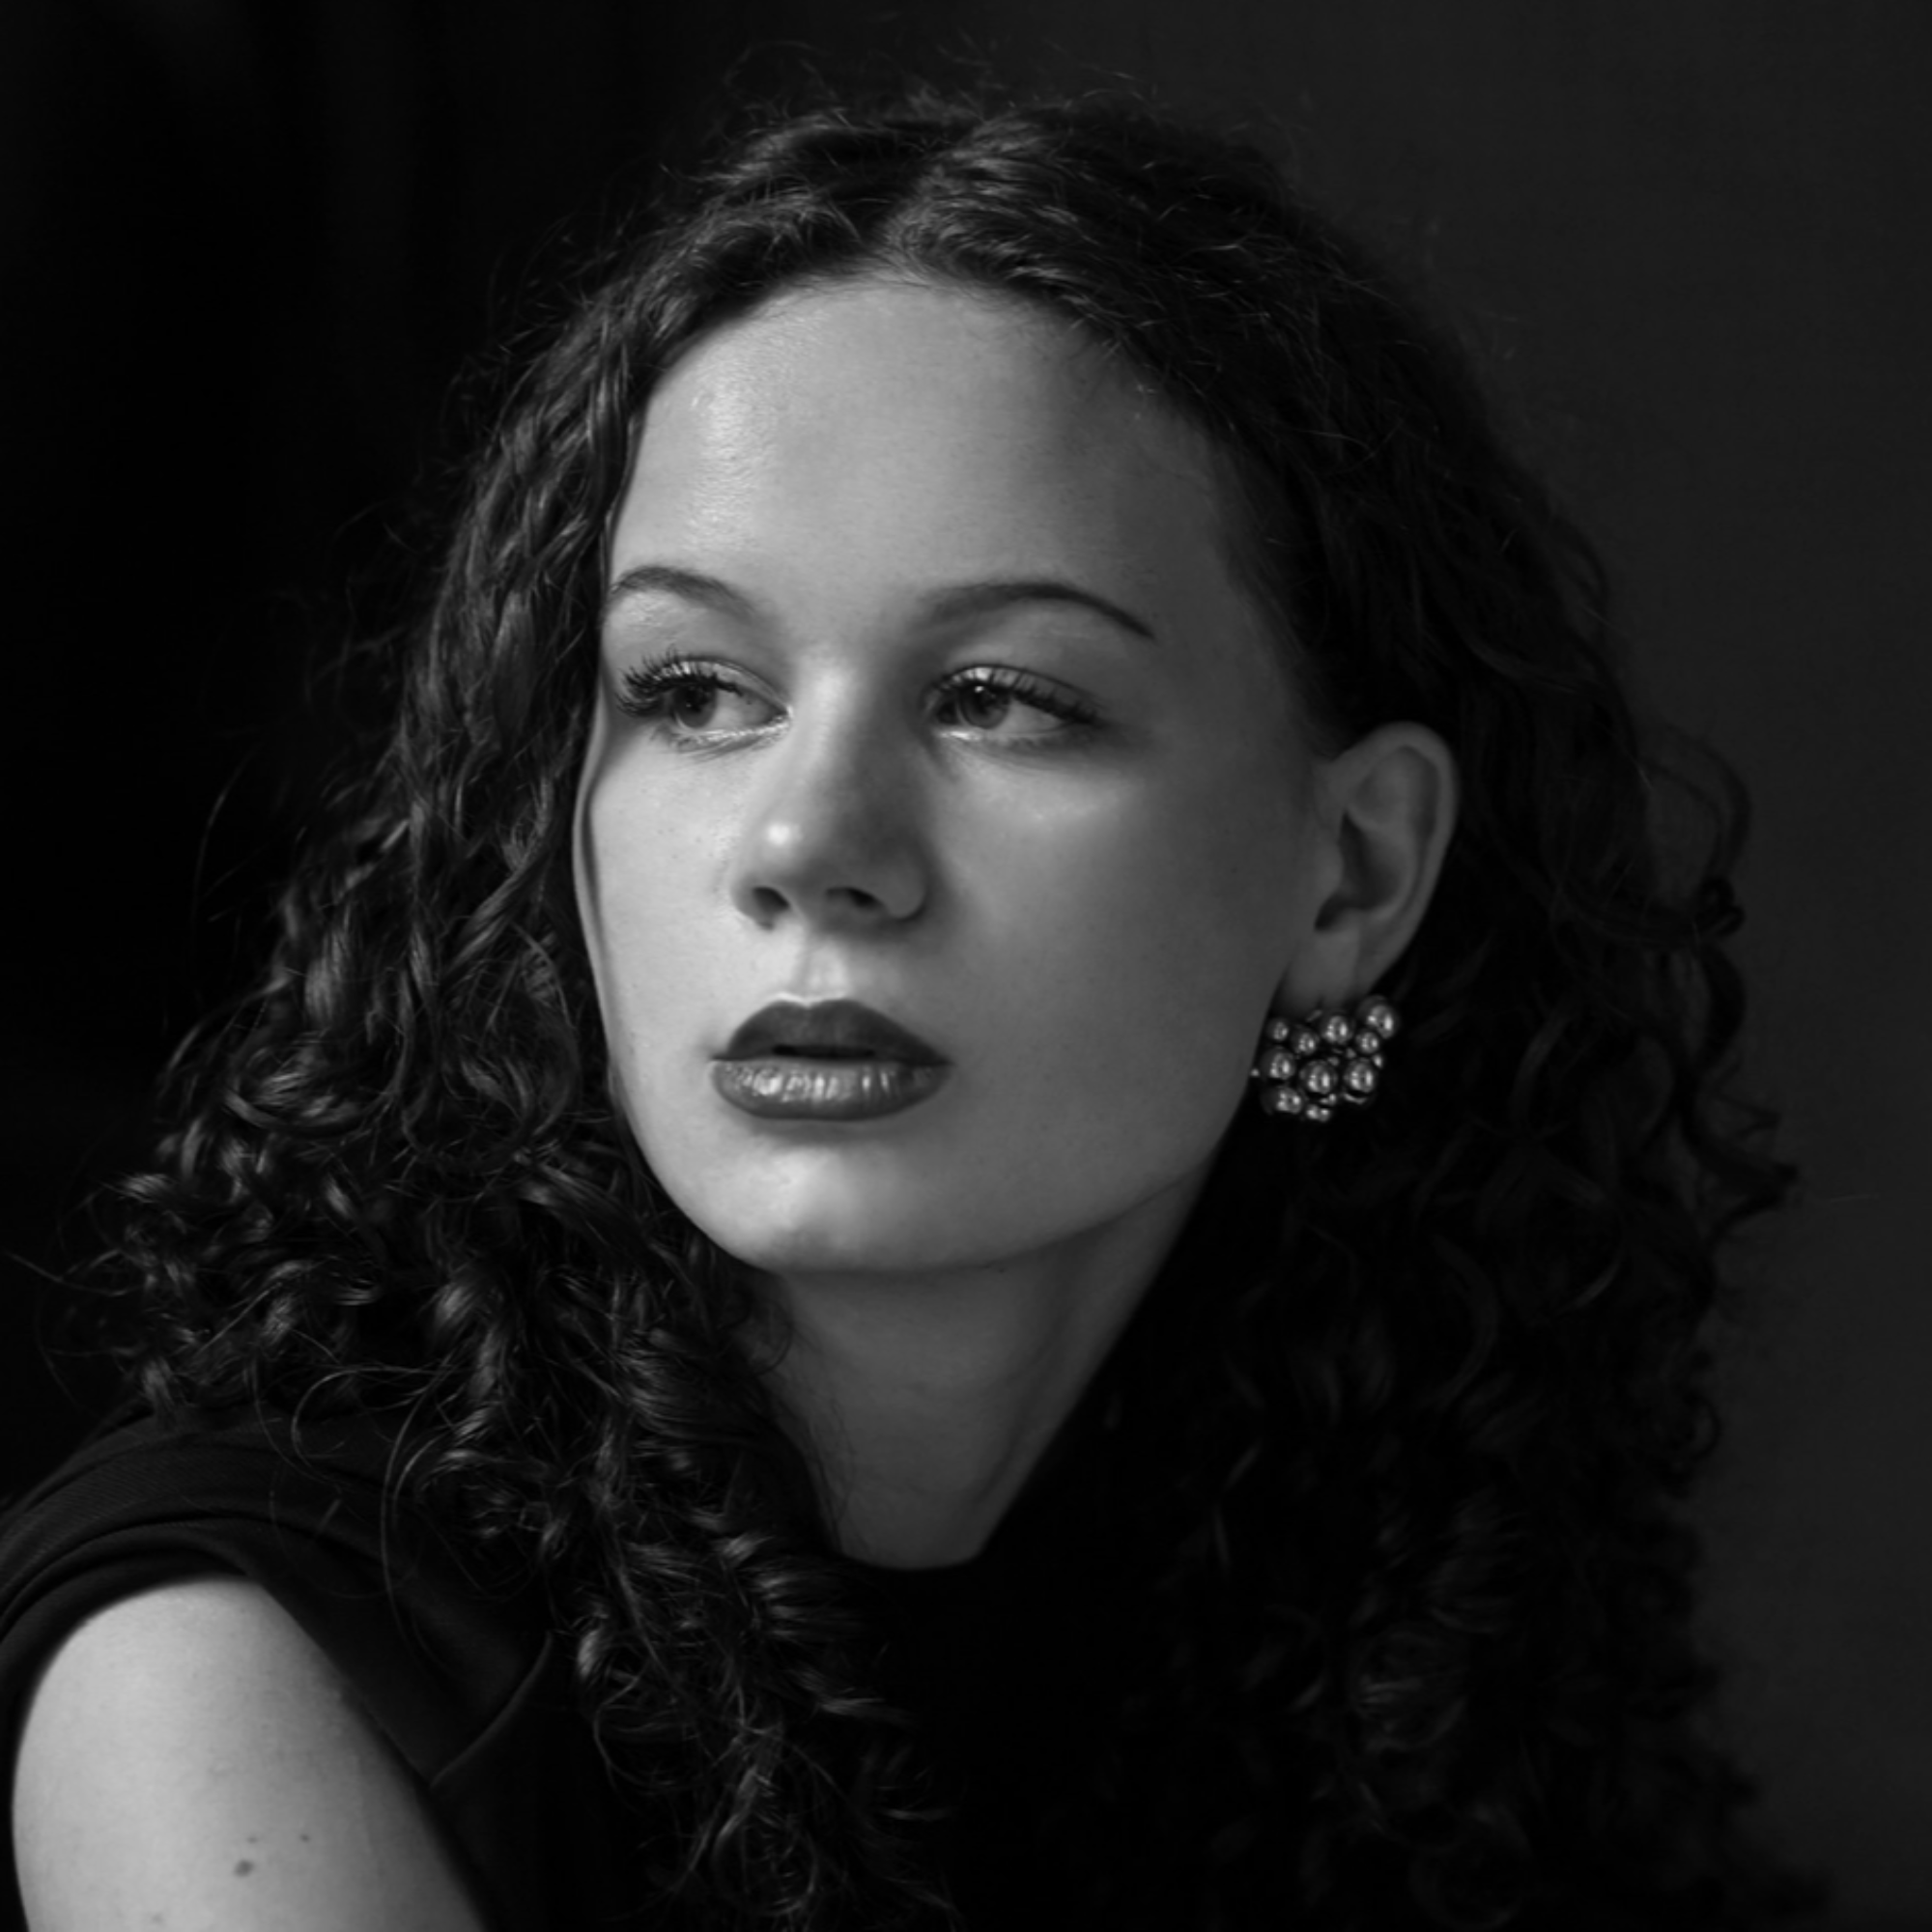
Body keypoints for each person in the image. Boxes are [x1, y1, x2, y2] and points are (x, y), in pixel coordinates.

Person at [0, 88, 1820, 1931]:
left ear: (1350, 876)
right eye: (693, 689)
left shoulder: (1372, 1658)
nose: (808, 845)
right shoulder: (235, 1677)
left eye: (1001, 699)